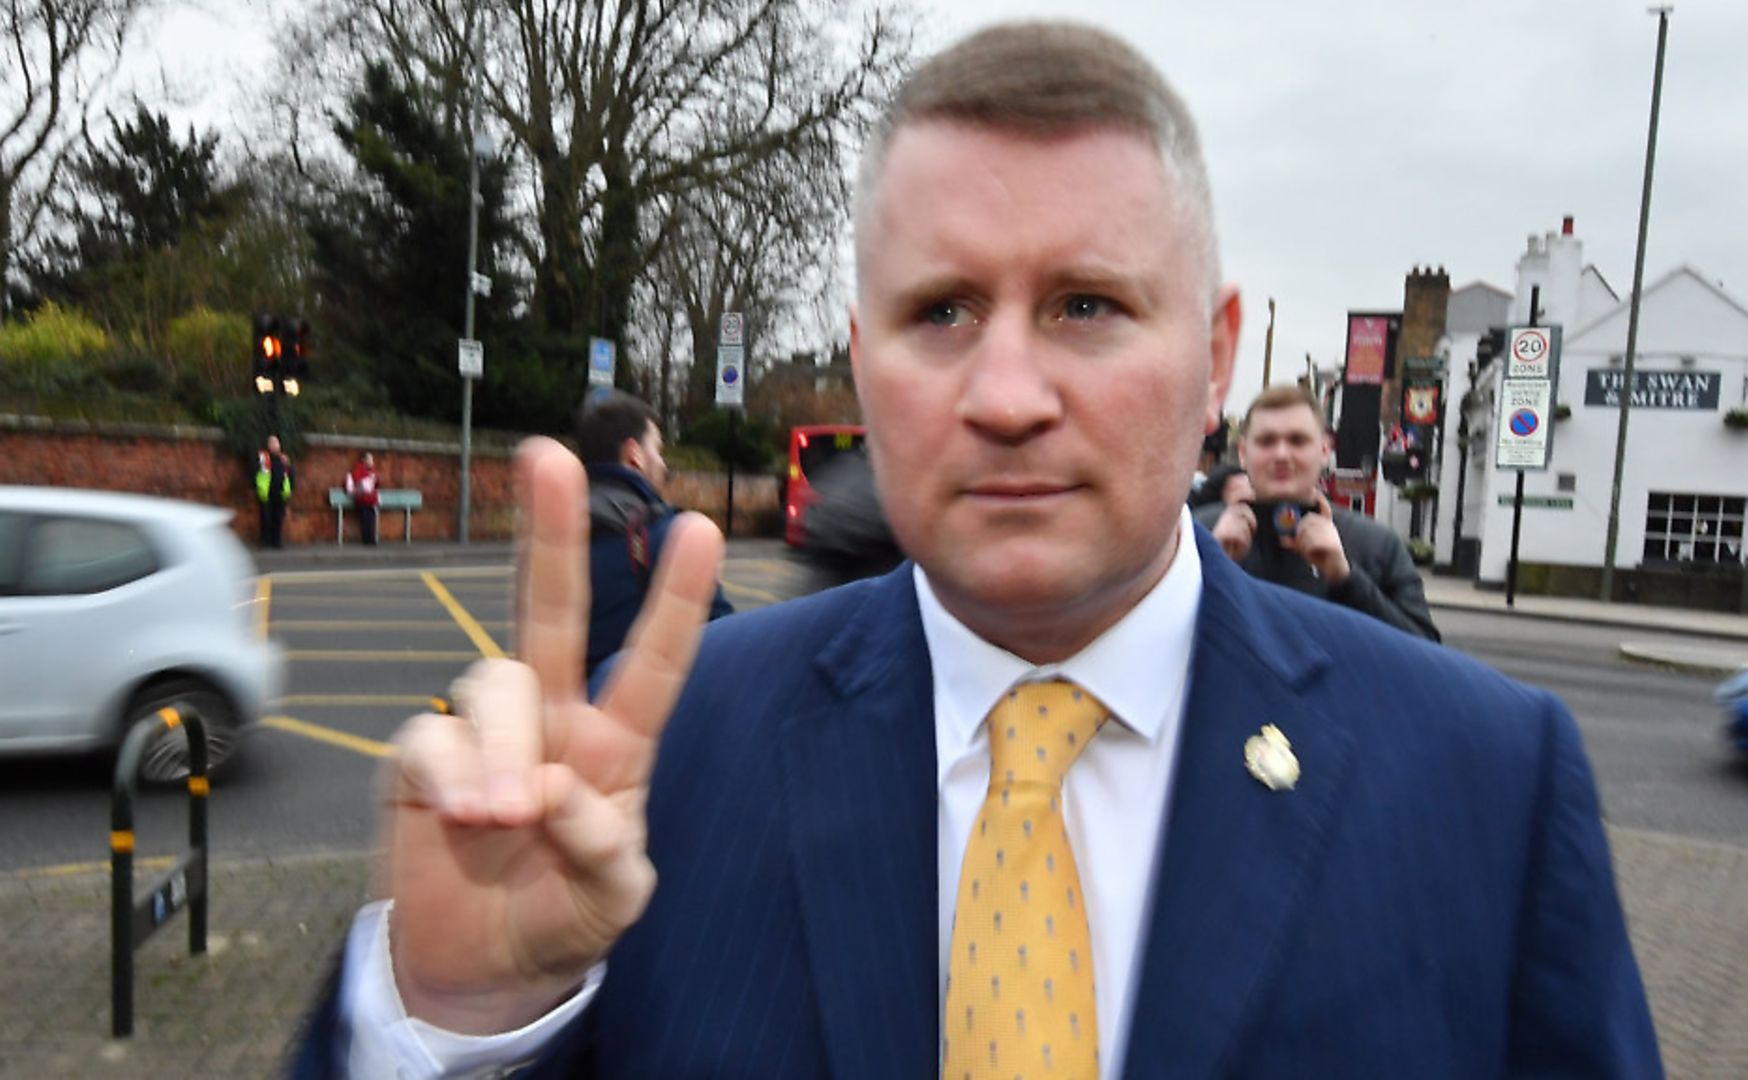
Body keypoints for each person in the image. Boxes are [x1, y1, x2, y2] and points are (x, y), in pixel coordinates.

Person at [294, 22, 1657, 1078]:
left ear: (1216, 357)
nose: (1006, 393)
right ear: (862, 358)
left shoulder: (1491, 785)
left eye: (1086, 304)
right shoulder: (664, 763)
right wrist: (461, 1020)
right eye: (941, 310)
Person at [1211, 384, 1441, 641]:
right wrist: (1213, 566)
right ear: (1243, 453)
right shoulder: (1199, 535)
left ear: (1324, 451)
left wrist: (1345, 578)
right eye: (1267, 441)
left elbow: (1425, 653)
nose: (1282, 454)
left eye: (1298, 441)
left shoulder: (1377, 545)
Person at [576, 391, 732, 689]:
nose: (662, 464)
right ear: (634, 454)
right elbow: (724, 641)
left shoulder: (555, 535)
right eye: (657, 450)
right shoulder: (665, 536)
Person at [256, 435, 295, 549]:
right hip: (266, 492)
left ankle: (276, 541)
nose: (275, 445)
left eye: (276, 443)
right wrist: (256, 487)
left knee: (278, 518)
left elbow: (291, 474)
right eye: (272, 443)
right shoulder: (263, 458)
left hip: (280, 493)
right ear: (268, 445)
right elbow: (255, 471)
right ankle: (265, 541)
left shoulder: (284, 459)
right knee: (265, 518)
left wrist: (290, 488)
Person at [346, 451, 379, 546]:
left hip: (370, 499)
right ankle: (366, 538)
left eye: (372, 459)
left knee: (371, 517)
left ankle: (371, 538)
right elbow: (359, 483)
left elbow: (376, 484)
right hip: (362, 499)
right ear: (364, 460)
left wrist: (374, 479)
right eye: (369, 459)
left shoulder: (372, 471)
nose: (371, 461)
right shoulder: (358, 470)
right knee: (365, 516)